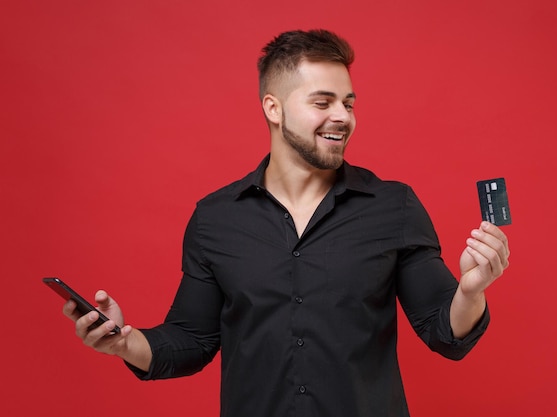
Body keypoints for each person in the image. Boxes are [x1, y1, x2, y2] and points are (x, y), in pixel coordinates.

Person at [63, 29, 510, 417]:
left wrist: (470, 292)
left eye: (348, 103)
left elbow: (444, 332)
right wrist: (124, 342)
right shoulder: (216, 218)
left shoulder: (393, 206)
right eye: (323, 101)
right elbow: (191, 341)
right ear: (273, 109)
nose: (343, 116)